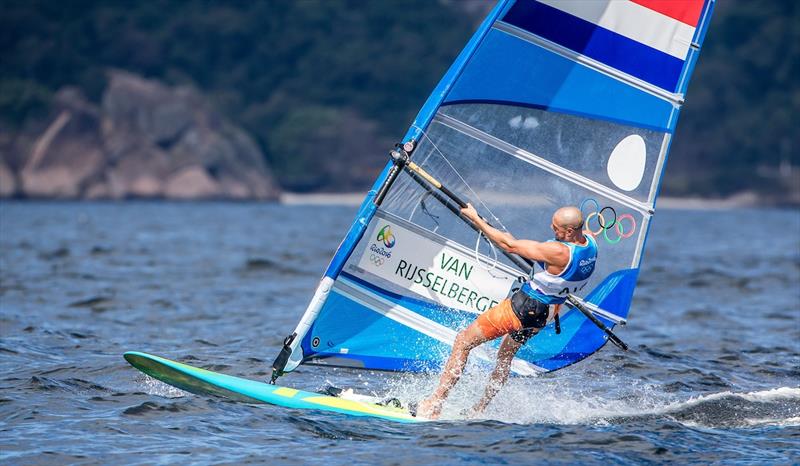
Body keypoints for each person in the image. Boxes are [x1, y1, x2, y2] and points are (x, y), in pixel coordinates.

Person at [415, 203, 598, 419]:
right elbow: (543, 246)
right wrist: (514, 242)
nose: (551, 227)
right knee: (505, 356)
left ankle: (434, 404)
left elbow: (509, 246)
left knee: (463, 342)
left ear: (569, 232)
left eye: (556, 227)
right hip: (546, 314)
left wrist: (476, 218)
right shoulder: (591, 243)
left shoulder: (558, 251)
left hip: (523, 307)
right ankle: (479, 409)